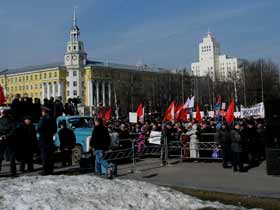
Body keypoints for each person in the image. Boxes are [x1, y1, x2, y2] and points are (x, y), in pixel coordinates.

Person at [37, 106, 57, 175]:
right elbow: (55, 129)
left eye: (42, 112)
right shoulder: (52, 119)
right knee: (50, 155)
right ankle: (50, 170)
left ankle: (45, 170)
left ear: (44, 112)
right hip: (50, 139)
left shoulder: (43, 119)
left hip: (43, 140)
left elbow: (39, 129)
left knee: (44, 156)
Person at [0, 108, 17, 176]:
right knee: (12, 156)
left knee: (0, 156)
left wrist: (2, 136)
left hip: (2, 140)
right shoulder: (12, 120)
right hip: (10, 140)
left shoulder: (0, 120)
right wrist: (7, 135)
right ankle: (13, 171)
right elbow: (14, 130)